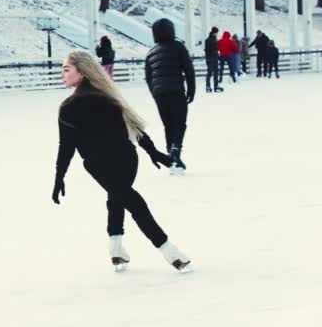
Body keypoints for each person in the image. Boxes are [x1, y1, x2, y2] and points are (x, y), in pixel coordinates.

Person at [52, 50, 192, 273]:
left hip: (99, 164)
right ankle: (117, 247)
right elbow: (135, 129)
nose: (62, 74)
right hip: (126, 158)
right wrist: (153, 153)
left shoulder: (69, 107)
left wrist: (59, 176)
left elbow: (67, 146)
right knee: (120, 195)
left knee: (128, 199)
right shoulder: (107, 97)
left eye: (66, 69)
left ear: (82, 72)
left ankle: (169, 250)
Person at [145, 18, 195, 174]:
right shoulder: (178, 47)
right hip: (176, 90)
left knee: (168, 124)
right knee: (180, 123)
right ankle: (175, 150)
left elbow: (149, 77)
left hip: (160, 93)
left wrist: (155, 93)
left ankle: (171, 157)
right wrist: (191, 89)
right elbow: (188, 69)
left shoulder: (151, 53)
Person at [204, 27, 223, 93]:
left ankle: (216, 86)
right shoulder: (208, 40)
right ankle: (208, 86)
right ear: (214, 32)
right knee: (209, 73)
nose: (217, 34)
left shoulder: (215, 39)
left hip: (215, 58)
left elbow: (216, 49)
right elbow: (207, 50)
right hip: (210, 58)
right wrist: (208, 59)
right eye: (216, 32)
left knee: (216, 73)